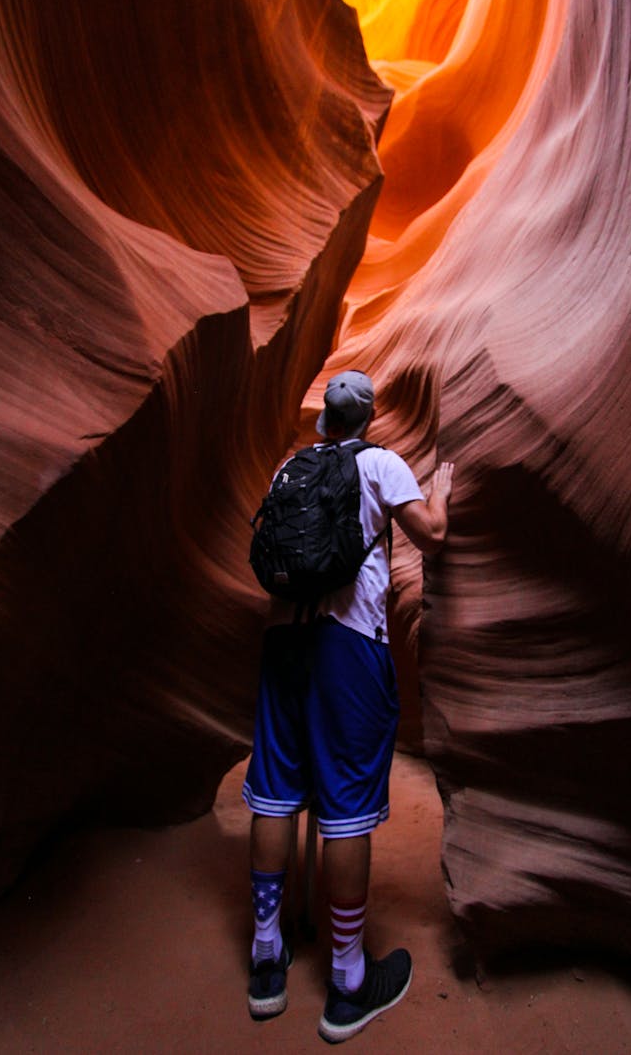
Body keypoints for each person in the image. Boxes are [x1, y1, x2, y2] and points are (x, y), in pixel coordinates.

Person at [242, 369, 454, 1043]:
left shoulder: (288, 468)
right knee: (345, 806)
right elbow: (432, 536)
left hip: (282, 640)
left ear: (322, 422)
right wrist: (440, 493)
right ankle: (347, 980)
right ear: (367, 420)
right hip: (347, 645)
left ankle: (267, 957)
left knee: (274, 791)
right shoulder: (381, 463)